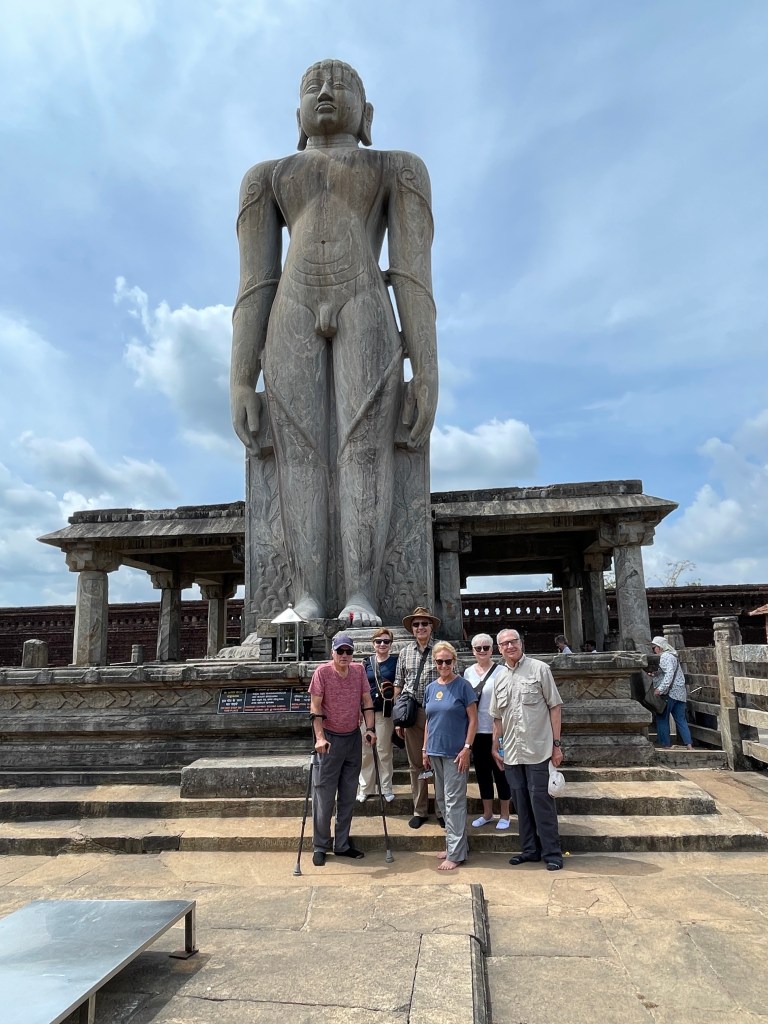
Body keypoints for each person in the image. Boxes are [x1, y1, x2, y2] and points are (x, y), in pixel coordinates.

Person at [231, 59, 438, 627]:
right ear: (296, 114)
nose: (325, 91)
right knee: (297, 451)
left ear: (366, 114)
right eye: (313, 87)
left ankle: (362, 593)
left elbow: (412, 274)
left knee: (364, 448)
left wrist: (426, 369)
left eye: (340, 85)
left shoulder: (396, 167)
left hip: (365, 304)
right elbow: (255, 282)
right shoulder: (267, 177)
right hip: (290, 309)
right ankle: (305, 595)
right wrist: (241, 378)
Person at [491, 628, 565, 871]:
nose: (509, 646)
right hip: (512, 752)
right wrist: (495, 745)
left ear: (521, 643)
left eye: (513, 642)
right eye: (504, 644)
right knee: (521, 804)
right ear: (499, 649)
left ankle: (552, 853)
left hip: (539, 749)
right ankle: (530, 850)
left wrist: (556, 745)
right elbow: (497, 717)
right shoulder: (499, 678)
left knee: (541, 803)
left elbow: (555, 707)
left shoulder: (539, 669)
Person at [308, 632, 376, 866]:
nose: (344, 655)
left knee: (348, 795)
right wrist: (319, 738)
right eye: (340, 651)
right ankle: (320, 844)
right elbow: (315, 707)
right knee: (324, 796)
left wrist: (370, 729)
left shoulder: (358, 671)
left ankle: (342, 843)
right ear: (333, 652)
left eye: (349, 651)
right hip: (329, 740)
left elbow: (367, 701)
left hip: (352, 738)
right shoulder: (322, 672)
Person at [423, 642, 478, 870]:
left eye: (447, 661)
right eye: (440, 661)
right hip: (435, 750)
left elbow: (473, 719)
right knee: (443, 801)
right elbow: (429, 721)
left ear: (454, 661)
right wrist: (424, 749)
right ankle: (455, 845)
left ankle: (455, 854)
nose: (444, 665)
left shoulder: (463, 686)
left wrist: (467, 748)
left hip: (456, 754)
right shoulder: (430, 688)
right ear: (435, 663)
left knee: (454, 802)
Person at [394, 606, 440, 828]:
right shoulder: (405, 653)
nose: (420, 627)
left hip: (438, 713)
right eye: (416, 624)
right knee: (416, 764)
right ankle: (420, 809)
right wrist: (398, 718)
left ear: (431, 627)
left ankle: (441, 809)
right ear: (412, 629)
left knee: (439, 762)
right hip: (413, 712)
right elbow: (399, 684)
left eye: (424, 623)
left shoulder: (441, 650)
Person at [463, 633, 511, 830]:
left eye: (486, 647)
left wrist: (500, 732)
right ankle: (487, 813)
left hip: (498, 730)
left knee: (501, 772)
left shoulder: (502, 671)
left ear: (492, 650)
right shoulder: (468, 672)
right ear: (473, 651)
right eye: (478, 648)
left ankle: (505, 814)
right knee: (482, 773)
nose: (482, 651)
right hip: (477, 731)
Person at [357, 627, 398, 802]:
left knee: (383, 750)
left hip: (384, 711)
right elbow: (359, 687)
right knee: (366, 750)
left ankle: (386, 787)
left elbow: (399, 685)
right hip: (367, 711)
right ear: (373, 644)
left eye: (386, 641)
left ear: (391, 644)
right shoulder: (366, 663)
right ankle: (365, 787)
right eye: (378, 641)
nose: (382, 644)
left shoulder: (396, 662)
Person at [648, 636, 693, 750]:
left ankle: (665, 744)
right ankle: (688, 744)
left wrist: (660, 689)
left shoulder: (665, 656)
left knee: (662, 717)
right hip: (680, 693)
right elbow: (669, 672)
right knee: (681, 719)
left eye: (654, 647)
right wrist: (655, 674)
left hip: (669, 693)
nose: (654, 650)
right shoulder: (673, 656)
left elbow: (669, 674)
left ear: (659, 647)